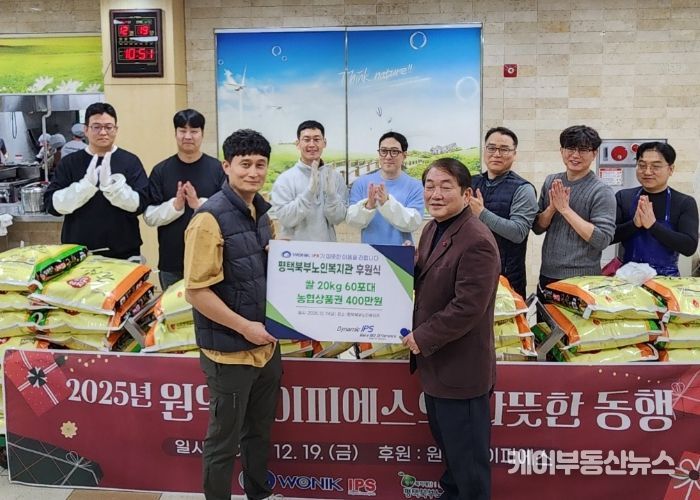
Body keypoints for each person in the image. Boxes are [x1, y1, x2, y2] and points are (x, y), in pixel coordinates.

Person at [184, 129, 282, 500]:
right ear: (227, 166)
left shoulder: (262, 212)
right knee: (223, 442)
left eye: (260, 164)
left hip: (265, 347)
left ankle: (259, 493)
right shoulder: (208, 219)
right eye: (245, 164)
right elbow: (196, 291)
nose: (253, 172)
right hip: (229, 352)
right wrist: (245, 327)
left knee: (259, 432)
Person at [402, 158, 500, 500]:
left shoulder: (477, 240)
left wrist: (422, 337)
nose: (436, 194)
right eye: (430, 186)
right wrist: (402, 267)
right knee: (452, 454)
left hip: (461, 370)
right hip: (437, 367)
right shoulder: (433, 228)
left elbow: (467, 307)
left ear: (466, 193)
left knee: (469, 464)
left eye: (446, 187)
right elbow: (431, 276)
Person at [44, 102, 149, 260]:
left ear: (116, 129)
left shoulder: (130, 161)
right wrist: (84, 187)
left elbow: (141, 203)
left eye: (108, 127)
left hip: (124, 252)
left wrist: (114, 189)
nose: (103, 132)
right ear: (86, 130)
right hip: (79, 253)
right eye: (96, 127)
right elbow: (51, 205)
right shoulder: (69, 163)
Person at [144, 109, 226, 290]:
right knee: (172, 308)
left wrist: (198, 205)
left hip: (210, 261)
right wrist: (175, 205)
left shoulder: (218, 169)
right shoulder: (160, 170)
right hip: (171, 262)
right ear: (175, 133)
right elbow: (149, 217)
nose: (188, 136)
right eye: (182, 131)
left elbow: (227, 214)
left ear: (202, 134)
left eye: (194, 131)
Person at [533, 125, 616, 299]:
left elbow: (602, 240)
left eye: (583, 150)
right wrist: (552, 208)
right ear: (561, 151)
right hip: (548, 273)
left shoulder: (601, 191)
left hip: (583, 280)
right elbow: (538, 228)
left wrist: (565, 209)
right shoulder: (551, 181)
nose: (575, 155)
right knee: (544, 318)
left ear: (594, 153)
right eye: (570, 148)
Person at [470, 127, 538, 298]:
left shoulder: (523, 189)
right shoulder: (471, 183)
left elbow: (518, 232)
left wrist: (482, 213)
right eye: (491, 148)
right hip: (471, 272)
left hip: (507, 278)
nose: (497, 154)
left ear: (514, 154)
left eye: (504, 149)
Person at [613, 142, 698, 276]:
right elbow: (608, 237)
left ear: (671, 169)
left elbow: (689, 247)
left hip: (667, 279)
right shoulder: (624, 197)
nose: (647, 172)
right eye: (642, 165)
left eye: (656, 166)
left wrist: (653, 226)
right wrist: (634, 224)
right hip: (628, 277)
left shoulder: (684, 202)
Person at [270, 120, 347, 241]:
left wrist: (332, 196)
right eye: (306, 140)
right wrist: (309, 192)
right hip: (296, 251)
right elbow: (286, 219)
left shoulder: (335, 178)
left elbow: (338, 219)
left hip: (327, 250)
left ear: (324, 143)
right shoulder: (285, 179)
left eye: (316, 139)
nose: (312, 144)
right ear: (298, 144)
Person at [346, 131, 424, 245]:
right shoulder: (361, 183)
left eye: (394, 151)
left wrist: (387, 203)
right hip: (369, 253)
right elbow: (352, 221)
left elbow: (413, 223)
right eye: (383, 151)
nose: (388, 156)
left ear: (404, 155)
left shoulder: (416, 186)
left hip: (401, 252)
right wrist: (368, 206)